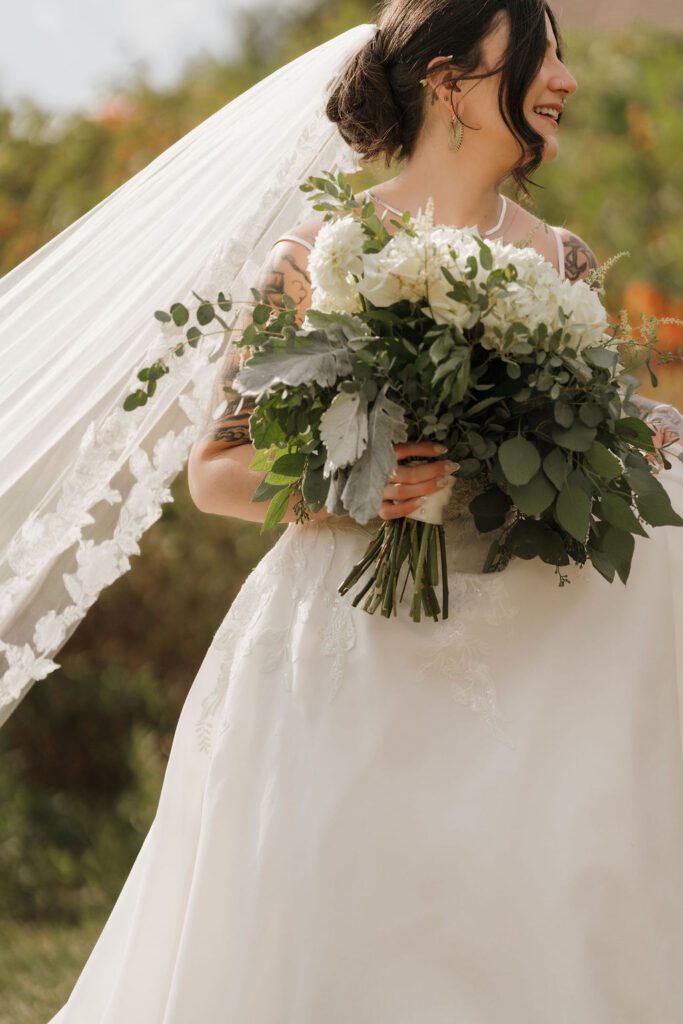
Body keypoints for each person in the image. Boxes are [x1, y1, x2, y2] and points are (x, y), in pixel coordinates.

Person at [48, 2, 683, 1021]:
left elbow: (581, 452)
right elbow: (213, 470)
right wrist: (344, 487)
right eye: (540, 53)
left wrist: (626, 442)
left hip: (531, 653)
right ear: (449, 82)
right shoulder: (312, 255)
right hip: (350, 637)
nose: (563, 78)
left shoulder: (560, 261)